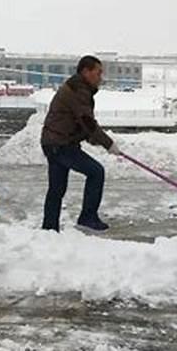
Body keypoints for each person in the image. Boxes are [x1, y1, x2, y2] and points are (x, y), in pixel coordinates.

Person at [40, 55, 121, 232]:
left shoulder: (77, 88)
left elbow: (81, 124)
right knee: (96, 172)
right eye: (98, 72)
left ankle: (49, 229)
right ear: (86, 71)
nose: (101, 77)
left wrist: (95, 139)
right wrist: (108, 144)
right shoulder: (79, 91)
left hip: (54, 142)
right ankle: (87, 217)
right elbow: (88, 122)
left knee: (57, 189)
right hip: (60, 144)